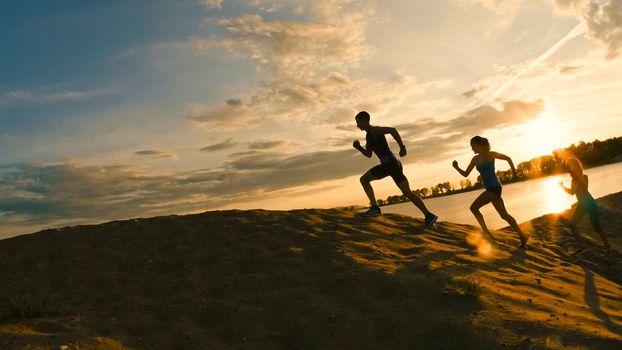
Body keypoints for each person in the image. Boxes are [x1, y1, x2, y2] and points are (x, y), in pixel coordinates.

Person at [352, 111, 438, 227]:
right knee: (407, 193)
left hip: (389, 165)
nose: (357, 125)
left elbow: (392, 130)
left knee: (364, 180)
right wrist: (359, 148)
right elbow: (369, 154)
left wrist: (402, 147)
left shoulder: (375, 130)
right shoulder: (368, 135)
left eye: (358, 122)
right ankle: (429, 215)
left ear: (364, 120)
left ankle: (375, 208)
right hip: (393, 165)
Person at [452, 136, 528, 249]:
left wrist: (514, 173)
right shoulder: (475, 159)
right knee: (504, 215)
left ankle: (486, 232)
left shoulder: (491, 154)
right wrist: (457, 167)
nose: (472, 148)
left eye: (473, 146)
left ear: (480, 145)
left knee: (474, 208)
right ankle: (523, 236)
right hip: (489, 189)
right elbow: (466, 174)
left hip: (495, 188)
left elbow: (508, 158)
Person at [559, 157, 610, 254]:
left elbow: (578, 190)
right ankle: (582, 246)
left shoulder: (581, 177)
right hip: (585, 203)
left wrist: (563, 186)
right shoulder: (578, 178)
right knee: (572, 224)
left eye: (568, 167)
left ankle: (606, 247)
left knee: (596, 226)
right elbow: (574, 192)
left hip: (588, 204)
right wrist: (564, 186)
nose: (567, 169)